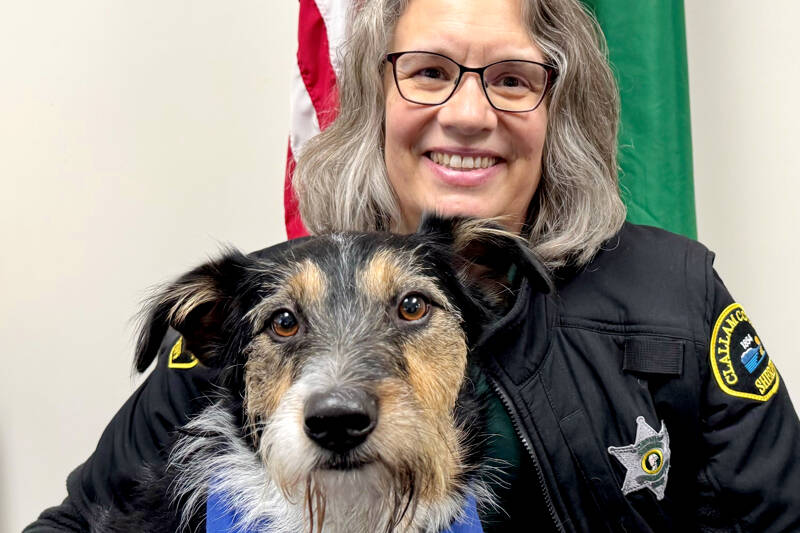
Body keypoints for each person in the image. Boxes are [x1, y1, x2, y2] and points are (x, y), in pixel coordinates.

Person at [26, 0, 800, 531]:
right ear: (375, 98)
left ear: (561, 108)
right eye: (428, 72)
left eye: (511, 79)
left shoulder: (675, 294)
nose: (467, 113)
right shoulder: (251, 305)